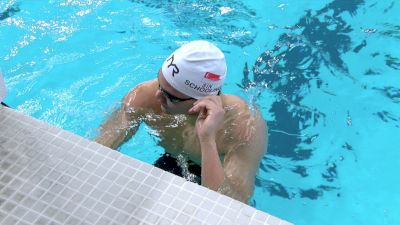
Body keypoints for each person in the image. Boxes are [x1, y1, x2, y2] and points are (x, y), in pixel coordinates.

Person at [95, 40, 267, 203]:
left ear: (203, 99)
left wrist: (207, 141)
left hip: (215, 177)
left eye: (171, 97)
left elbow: (232, 206)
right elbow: (96, 150)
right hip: (173, 162)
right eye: (160, 84)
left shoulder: (244, 127)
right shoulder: (144, 96)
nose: (157, 96)